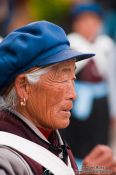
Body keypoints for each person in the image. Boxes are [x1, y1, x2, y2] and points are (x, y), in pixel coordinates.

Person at [0, 21, 116, 175]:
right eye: (62, 78)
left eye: (73, 78)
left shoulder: (51, 139)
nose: (73, 94)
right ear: (23, 86)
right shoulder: (5, 159)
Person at [60, 3, 116, 169]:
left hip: (100, 101)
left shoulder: (106, 46)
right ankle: (76, 168)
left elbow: (111, 77)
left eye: (93, 21)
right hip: (77, 100)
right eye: (83, 21)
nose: (89, 26)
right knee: (76, 138)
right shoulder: (71, 44)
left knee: (99, 137)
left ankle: (99, 168)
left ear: (99, 24)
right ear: (76, 24)